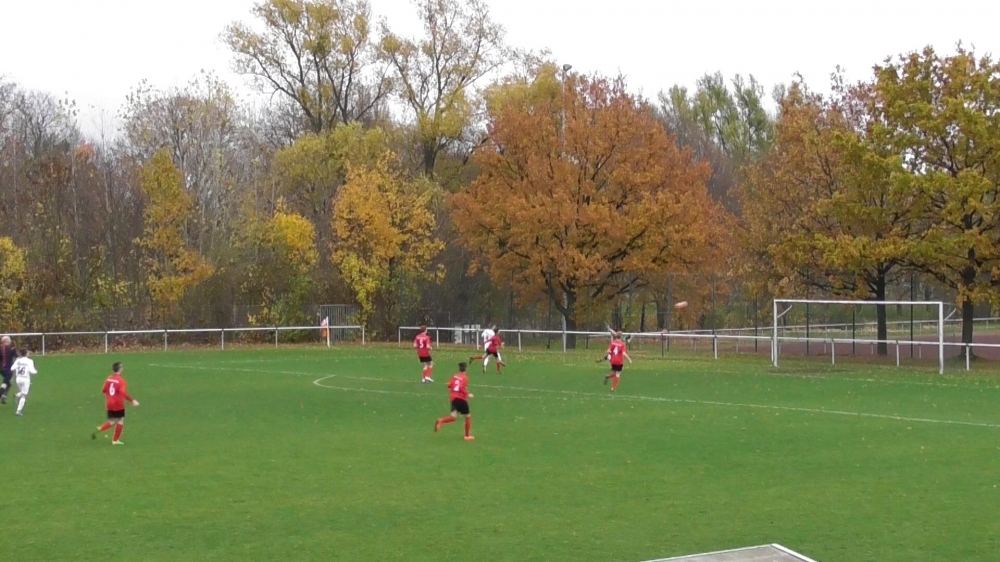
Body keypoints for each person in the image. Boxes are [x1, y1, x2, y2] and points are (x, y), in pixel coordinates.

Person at [92, 362, 139, 445]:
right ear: (119, 369)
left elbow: (104, 390)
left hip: (109, 403)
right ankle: (115, 440)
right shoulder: (121, 381)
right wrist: (132, 401)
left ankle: (100, 428)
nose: (123, 368)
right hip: (118, 403)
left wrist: (110, 396)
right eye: (122, 367)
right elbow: (123, 393)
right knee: (120, 420)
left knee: (112, 421)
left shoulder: (109, 378)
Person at [435, 362, 474, 440]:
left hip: (453, 398)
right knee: (467, 416)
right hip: (461, 399)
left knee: (453, 417)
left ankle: (441, 421)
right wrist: (468, 394)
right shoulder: (465, 378)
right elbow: (461, 387)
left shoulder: (455, 376)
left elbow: (449, 385)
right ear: (466, 369)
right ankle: (467, 436)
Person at [11, 349, 37, 416]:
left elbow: (12, 368)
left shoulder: (18, 360)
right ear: (26, 354)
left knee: (23, 391)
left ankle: (17, 395)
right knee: (24, 395)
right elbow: (32, 371)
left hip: (18, 378)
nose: (29, 353)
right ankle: (18, 411)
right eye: (28, 352)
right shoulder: (30, 361)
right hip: (26, 379)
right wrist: (36, 371)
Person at [0, 336, 16, 405]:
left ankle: (4, 396)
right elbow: (17, 357)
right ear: (8, 341)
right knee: (5, 383)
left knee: (9, 382)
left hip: (1, 369)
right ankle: (1, 395)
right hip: (9, 369)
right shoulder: (12, 349)